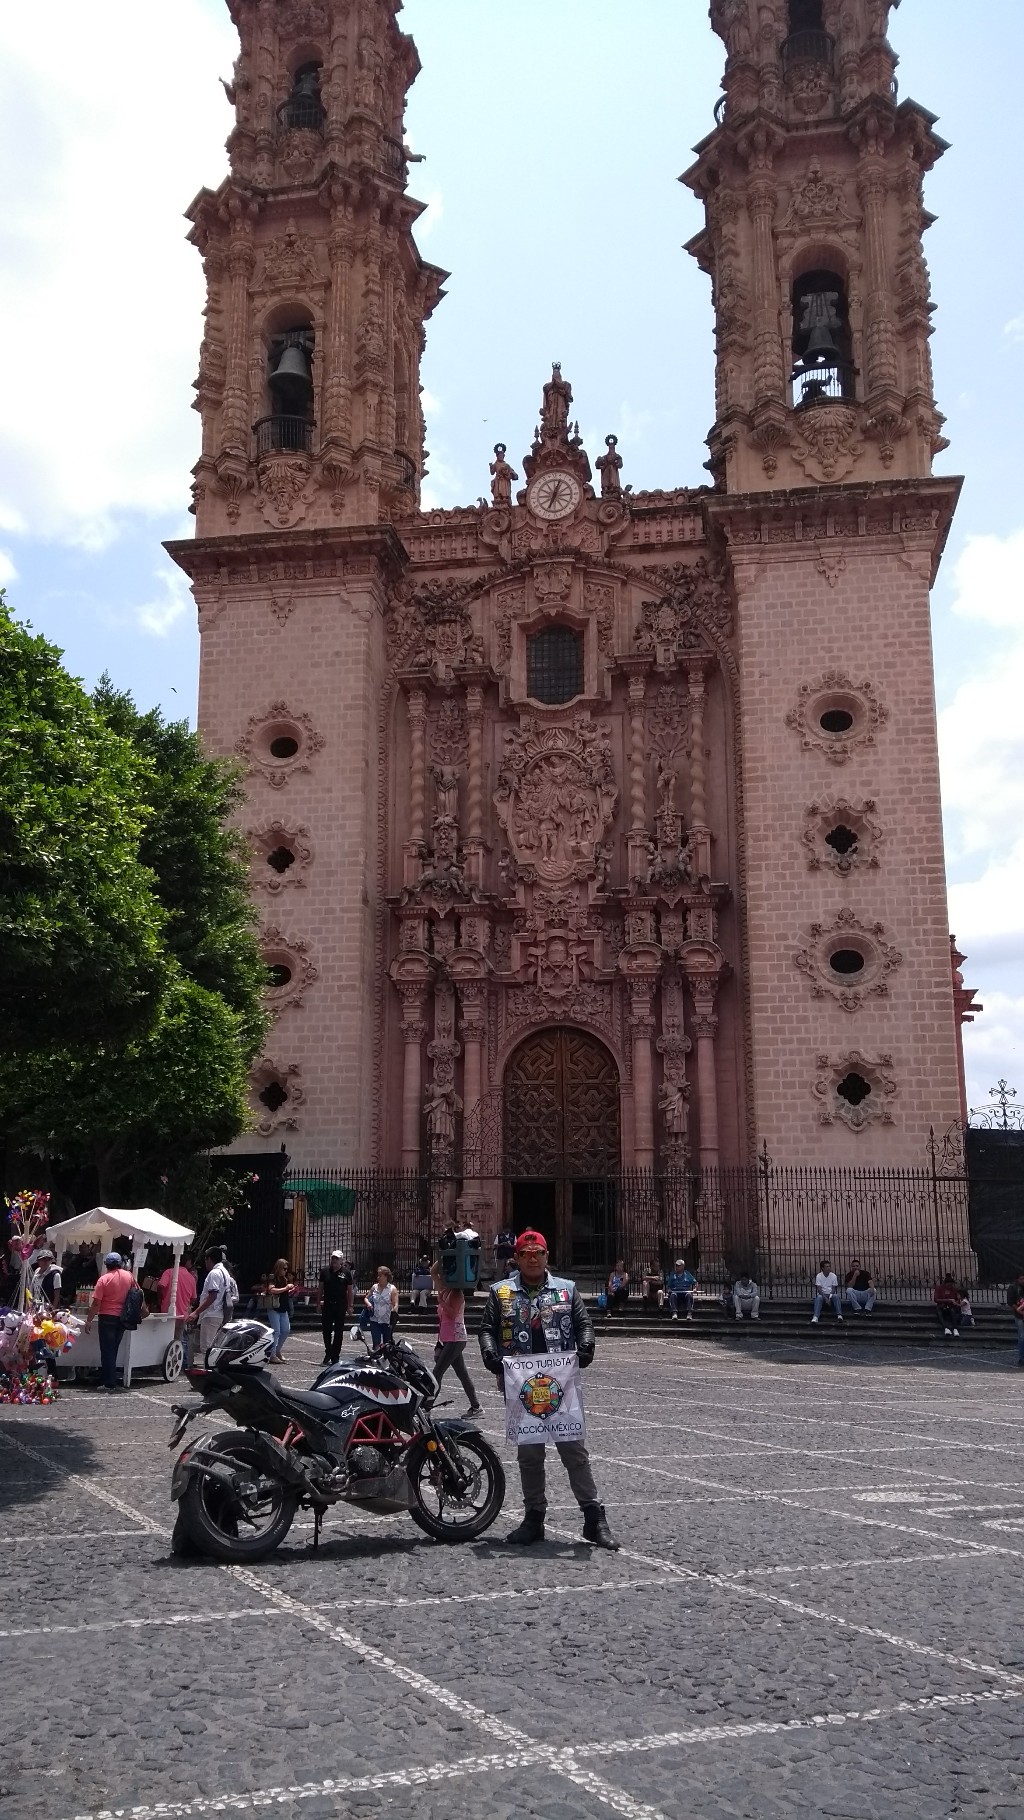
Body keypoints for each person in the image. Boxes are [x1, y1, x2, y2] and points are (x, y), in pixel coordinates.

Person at [479, 1228, 617, 1549]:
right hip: (520, 1386)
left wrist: (586, 1345)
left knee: (574, 1452)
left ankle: (593, 1517)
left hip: (562, 1384)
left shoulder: (567, 1290)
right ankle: (534, 1518)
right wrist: (490, 1354)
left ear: (546, 1256)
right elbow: (487, 1328)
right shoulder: (501, 1292)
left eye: (537, 1254)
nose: (532, 1259)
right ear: (516, 1258)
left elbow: (584, 1324)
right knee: (529, 1455)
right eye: (525, 1255)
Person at [429, 1258, 483, 1416]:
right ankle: (476, 1406)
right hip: (448, 1338)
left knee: (437, 1373)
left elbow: (452, 1314)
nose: (442, 1278)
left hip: (456, 1338)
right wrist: (446, 1255)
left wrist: (441, 1302)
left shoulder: (456, 1293)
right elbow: (433, 1272)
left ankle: (426, 1407)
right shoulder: (445, 1290)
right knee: (462, 1374)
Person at [84, 1251, 137, 1390]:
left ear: (106, 1265)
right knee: (113, 1349)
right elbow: (136, 1293)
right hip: (123, 1318)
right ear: (120, 1264)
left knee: (107, 1350)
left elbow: (96, 1303)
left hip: (107, 1316)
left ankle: (109, 1383)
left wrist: (89, 1320)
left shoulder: (103, 1279)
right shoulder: (129, 1276)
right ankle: (111, 1380)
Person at [188, 1246, 238, 1363]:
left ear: (209, 1259)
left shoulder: (214, 1273)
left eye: (205, 1259)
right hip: (219, 1313)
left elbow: (212, 1295)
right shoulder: (225, 1272)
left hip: (211, 1313)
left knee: (207, 1348)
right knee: (214, 1346)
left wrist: (196, 1312)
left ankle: (211, 1370)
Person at [155, 1252, 197, 1359]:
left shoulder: (169, 1272)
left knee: (163, 1339)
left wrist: (160, 1299)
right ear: (187, 1263)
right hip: (182, 1314)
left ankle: (160, 1362)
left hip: (167, 1312)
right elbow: (193, 1298)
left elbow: (160, 1285)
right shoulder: (191, 1277)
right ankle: (175, 1362)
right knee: (177, 1341)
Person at [318, 1250, 353, 1365]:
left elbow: (349, 1291)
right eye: (333, 1258)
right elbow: (320, 1289)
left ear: (341, 1260)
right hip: (328, 1304)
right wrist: (318, 1303)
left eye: (337, 1259)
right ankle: (328, 1351)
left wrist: (350, 1306)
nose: (334, 1261)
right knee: (326, 1330)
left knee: (339, 1331)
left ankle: (335, 1355)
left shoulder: (346, 1273)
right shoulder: (325, 1272)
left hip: (340, 1305)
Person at [266, 1258, 295, 1362]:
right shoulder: (273, 1278)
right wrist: (286, 1288)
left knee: (286, 1330)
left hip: (283, 1307)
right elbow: (271, 1289)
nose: (286, 1271)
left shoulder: (284, 1279)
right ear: (279, 1268)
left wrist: (289, 1289)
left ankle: (277, 1350)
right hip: (274, 1307)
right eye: (284, 1268)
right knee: (276, 1331)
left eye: (287, 1269)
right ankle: (272, 1355)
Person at [364, 1265, 398, 1347]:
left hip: (386, 1321)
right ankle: (376, 1357)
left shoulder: (392, 1289)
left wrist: (393, 1316)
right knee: (376, 1343)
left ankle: (386, 1358)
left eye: (380, 1276)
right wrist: (368, 1303)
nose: (378, 1278)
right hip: (375, 1319)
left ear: (386, 1277)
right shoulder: (374, 1287)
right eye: (378, 1275)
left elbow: (395, 1304)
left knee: (387, 1344)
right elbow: (366, 1298)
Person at [29, 1248, 62, 1312]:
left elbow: (57, 1295)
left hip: (48, 1308)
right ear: (38, 1261)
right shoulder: (36, 1272)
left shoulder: (55, 1275)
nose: (46, 1262)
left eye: (48, 1259)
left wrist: (53, 1310)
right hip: (36, 1304)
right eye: (43, 1259)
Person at [933, 1272, 962, 1337]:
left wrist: (956, 1301)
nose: (950, 1286)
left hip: (951, 1306)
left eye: (951, 1284)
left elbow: (957, 1298)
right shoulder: (939, 1288)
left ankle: (955, 1328)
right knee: (939, 1312)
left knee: (952, 1311)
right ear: (945, 1283)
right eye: (948, 1285)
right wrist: (947, 1300)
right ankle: (946, 1328)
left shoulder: (953, 1289)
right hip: (942, 1306)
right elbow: (936, 1299)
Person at [1007, 1272, 1024, 1368]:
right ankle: (1022, 1358)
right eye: (1021, 1279)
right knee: (1022, 1337)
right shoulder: (1013, 1288)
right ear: (1017, 1279)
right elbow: (1011, 1302)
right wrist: (1021, 1312)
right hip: (1019, 1316)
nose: (1023, 1281)